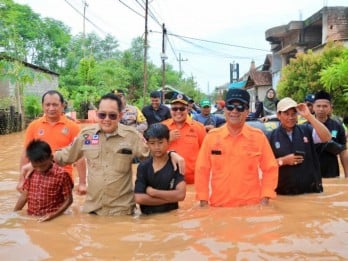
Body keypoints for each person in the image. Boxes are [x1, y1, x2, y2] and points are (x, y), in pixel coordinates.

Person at [53, 93, 184, 216]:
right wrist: (36, 161)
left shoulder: (131, 136)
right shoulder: (87, 135)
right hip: (93, 211)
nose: (106, 119)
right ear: (97, 114)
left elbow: (153, 153)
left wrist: (171, 153)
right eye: (102, 115)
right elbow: (65, 156)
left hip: (122, 212)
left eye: (112, 115)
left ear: (120, 116)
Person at [195, 88, 278, 207]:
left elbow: (270, 168)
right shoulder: (211, 138)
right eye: (230, 106)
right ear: (224, 109)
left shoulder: (258, 137)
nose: (234, 111)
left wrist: (265, 199)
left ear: (247, 111)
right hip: (219, 207)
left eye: (240, 107)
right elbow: (202, 170)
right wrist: (203, 200)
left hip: (251, 207)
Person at [17, 90, 86, 195]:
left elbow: (80, 156)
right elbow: (26, 153)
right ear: (42, 106)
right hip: (38, 176)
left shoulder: (73, 127)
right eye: (47, 105)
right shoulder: (33, 126)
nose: (51, 108)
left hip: (62, 178)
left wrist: (82, 183)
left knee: (61, 208)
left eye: (55, 105)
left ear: (62, 106)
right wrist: (21, 180)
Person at [268, 97, 332, 195]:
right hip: (283, 194)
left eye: (294, 113)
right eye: (286, 113)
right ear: (278, 115)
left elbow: (327, 137)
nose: (291, 117)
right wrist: (283, 161)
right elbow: (264, 166)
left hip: (310, 192)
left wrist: (309, 116)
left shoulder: (307, 130)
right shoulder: (271, 137)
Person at [14, 139, 73, 222]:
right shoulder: (31, 172)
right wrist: (14, 213)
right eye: (35, 166)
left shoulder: (62, 175)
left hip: (53, 218)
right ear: (31, 162)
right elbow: (24, 196)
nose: (39, 169)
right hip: (32, 217)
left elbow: (69, 200)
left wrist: (52, 215)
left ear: (51, 157)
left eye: (43, 165)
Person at [134, 123, 186, 215]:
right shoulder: (143, 167)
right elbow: (139, 198)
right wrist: (169, 199)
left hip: (171, 216)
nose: (157, 147)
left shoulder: (175, 164)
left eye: (160, 142)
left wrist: (154, 192)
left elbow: (181, 195)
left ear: (168, 141)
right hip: (147, 218)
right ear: (148, 144)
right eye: (152, 143)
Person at [162, 93, 206, 184]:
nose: (178, 111)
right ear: (170, 110)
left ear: (188, 109)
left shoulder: (199, 128)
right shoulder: (162, 126)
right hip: (167, 181)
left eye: (182, 108)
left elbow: (206, 154)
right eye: (174, 108)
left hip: (193, 181)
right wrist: (167, 140)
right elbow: (152, 152)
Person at [312, 91, 348, 178]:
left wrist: (347, 174)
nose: (321, 109)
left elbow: (343, 152)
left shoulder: (337, 126)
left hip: (331, 171)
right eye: (318, 106)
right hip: (311, 171)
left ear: (330, 108)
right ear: (313, 107)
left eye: (325, 106)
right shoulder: (305, 126)